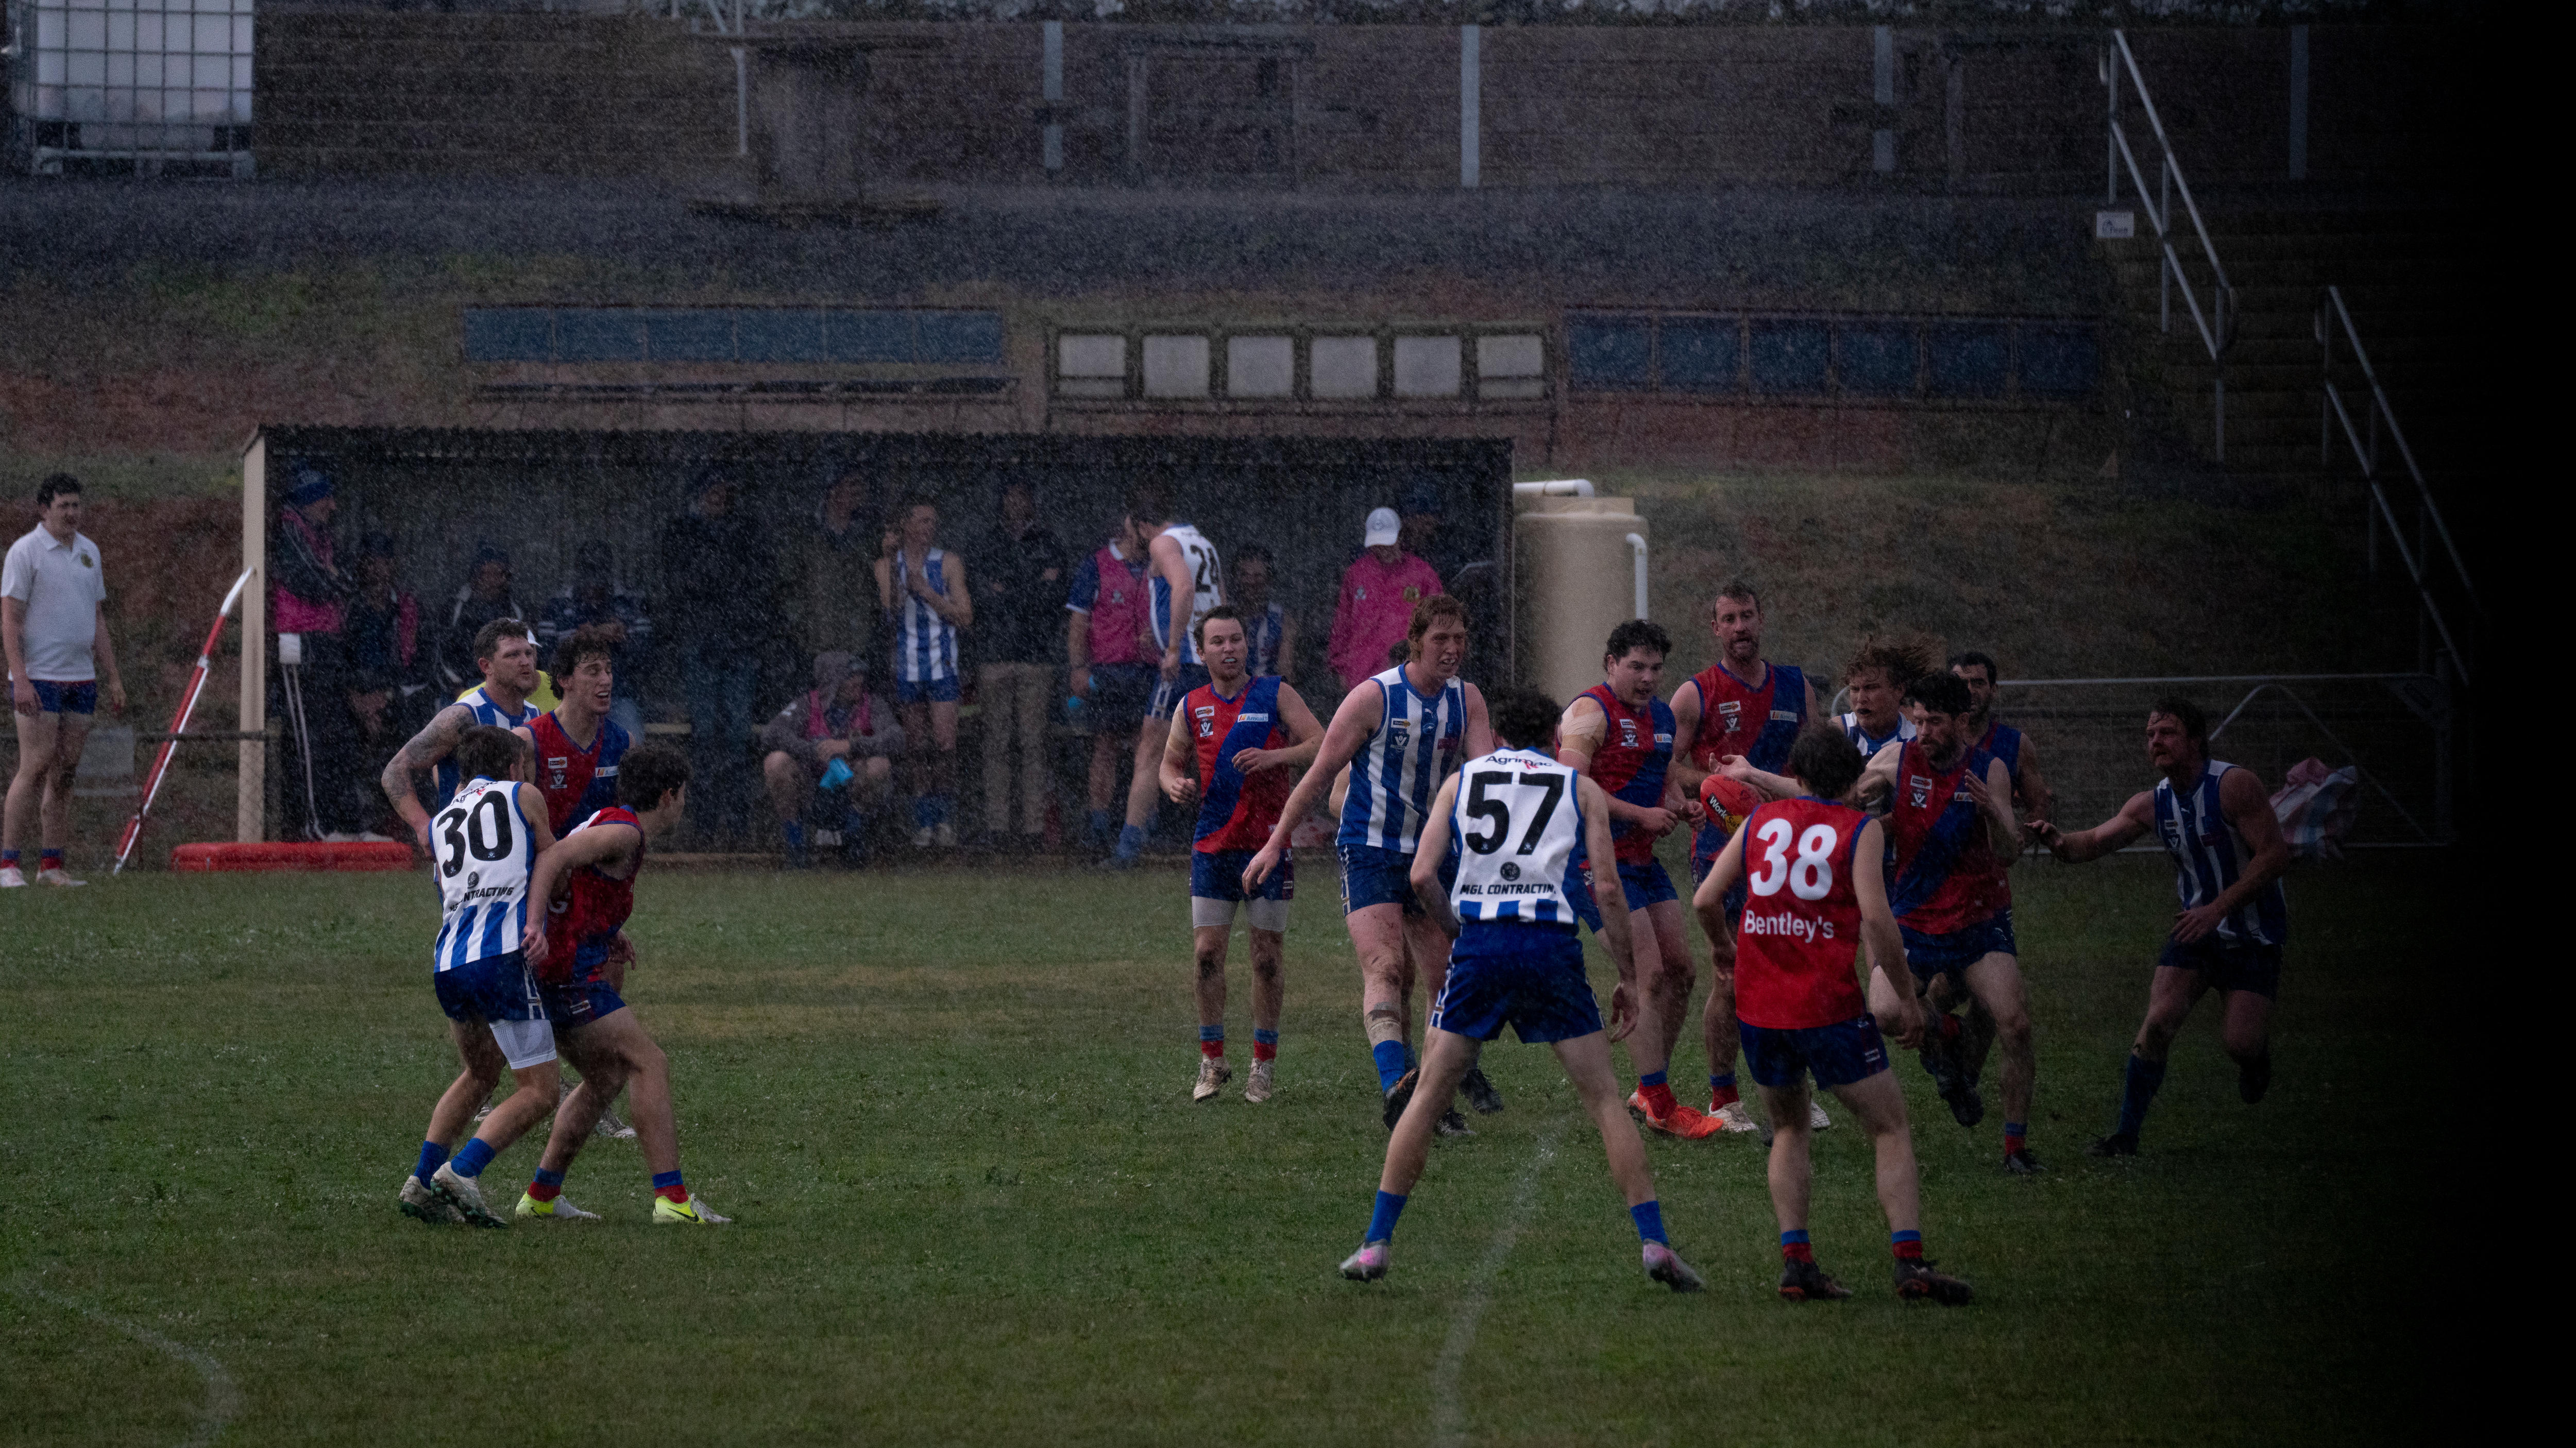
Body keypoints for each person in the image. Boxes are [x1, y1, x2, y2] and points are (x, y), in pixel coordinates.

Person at [1338, 686, 1703, 1293]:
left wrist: (1456, 926)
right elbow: (1608, 890)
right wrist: (1629, 978)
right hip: (1550, 947)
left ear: (1499, 732)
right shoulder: (1576, 786)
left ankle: (1376, 1244)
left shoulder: (1463, 782)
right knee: (1605, 1101)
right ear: (1554, 738)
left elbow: (1423, 874)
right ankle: (1655, 1242)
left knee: (1428, 1096)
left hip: (1483, 945)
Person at [1692, 724, 1974, 1304]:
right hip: (1826, 1006)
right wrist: (1905, 994)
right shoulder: (1859, 828)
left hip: (1760, 1007)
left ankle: (1797, 1265)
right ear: (1852, 783)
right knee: (1889, 1126)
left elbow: (1703, 899)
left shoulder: (1759, 822)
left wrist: (1724, 949)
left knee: (1790, 1128)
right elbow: (1875, 917)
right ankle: (1909, 1264)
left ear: (1794, 776)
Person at [1243, 595, 1499, 1137]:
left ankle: (1434, 1096)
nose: (1451, 650)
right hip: (1369, 851)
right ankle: (1398, 1089)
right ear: (1415, 641)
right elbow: (1318, 776)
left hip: (1432, 855)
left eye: (1459, 640)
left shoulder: (1467, 699)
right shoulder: (1373, 697)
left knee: (1444, 980)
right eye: (1440, 640)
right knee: (1383, 969)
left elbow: (1482, 779)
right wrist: (1275, 842)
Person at [2028, 697, 2291, 1157]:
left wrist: (2219, 908)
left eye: (2167, 732)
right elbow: (2090, 843)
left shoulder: (2234, 785)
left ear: (2194, 739)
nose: (2156, 742)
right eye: (2150, 734)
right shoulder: (2153, 803)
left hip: (2252, 933)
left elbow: (2273, 855)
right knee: (2157, 1025)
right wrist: (2057, 840)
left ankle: (2255, 1058)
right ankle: (2125, 1136)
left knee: (2240, 1043)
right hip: (2195, 932)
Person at [514, 742, 727, 1225]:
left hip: (568, 966)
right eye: (684, 793)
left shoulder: (616, 823)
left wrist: (606, 929)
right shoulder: (625, 832)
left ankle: (542, 1197)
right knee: (648, 1062)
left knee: (606, 1077)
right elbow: (554, 858)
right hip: (568, 974)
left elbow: (579, 884)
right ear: (670, 795)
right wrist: (535, 926)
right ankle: (673, 1201)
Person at [1853, 671, 2040, 1173]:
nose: (1923, 732)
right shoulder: (1897, 759)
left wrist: (1991, 814)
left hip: (1978, 923)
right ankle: (1949, 1036)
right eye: (1917, 721)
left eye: (1933, 722)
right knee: (1885, 1013)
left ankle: (2014, 1149)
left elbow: (2008, 853)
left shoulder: (1989, 770)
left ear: (1961, 721)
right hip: (1914, 920)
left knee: (2015, 1025)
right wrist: (1861, 797)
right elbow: (1852, 795)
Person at [1554, 619, 1719, 1140]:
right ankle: (1659, 1100)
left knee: (1682, 971)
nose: (1647, 678)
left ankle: (1650, 1090)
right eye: (1635, 667)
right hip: (1593, 861)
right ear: (1610, 664)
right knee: (1646, 974)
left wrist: (1679, 805)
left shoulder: (1663, 716)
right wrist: (1637, 814)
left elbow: (1663, 774)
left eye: (1654, 668)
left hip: (1642, 862)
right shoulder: (1589, 712)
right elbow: (1570, 786)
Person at [1157, 606, 1325, 1104]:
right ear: (1201, 650)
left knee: (1266, 958)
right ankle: (1213, 1061)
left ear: (1247, 646)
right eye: (1218, 642)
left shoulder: (1274, 693)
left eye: (1236, 640)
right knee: (1207, 955)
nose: (1228, 649)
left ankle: (1263, 1065)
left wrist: (1275, 757)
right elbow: (1168, 765)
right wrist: (1174, 786)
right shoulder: (1191, 705)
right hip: (1212, 847)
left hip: (1268, 846)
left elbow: (1322, 744)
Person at [1667, 580, 1818, 1131]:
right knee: (1729, 975)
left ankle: (1793, 1087)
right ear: (1714, 628)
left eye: (1746, 616)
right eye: (1727, 619)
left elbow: (1817, 765)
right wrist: (1710, 785)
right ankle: (1722, 1096)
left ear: (1761, 619)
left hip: (1789, 848)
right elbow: (1670, 768)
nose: (1739, 628)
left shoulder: (1795, 688)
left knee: (1794, 969)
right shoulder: (1696, 693)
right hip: (1721, 850)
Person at [399, 725, 560, 1228]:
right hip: (501, 959)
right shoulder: (523, 795)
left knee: (480, 1074)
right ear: (512, 767)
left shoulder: (443, 820)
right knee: (540, 1089)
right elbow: (555, 862)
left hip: (449, 962)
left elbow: (444, 892)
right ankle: (462, 1172)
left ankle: (421, 1182)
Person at [2, 474, 125, 887]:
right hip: (39, 678)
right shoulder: (25, 552)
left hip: (81, 679)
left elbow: (97, 618)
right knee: (34, 766)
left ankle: (52, 866)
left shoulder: (90, 551)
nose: (72, 513)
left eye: (77, 505)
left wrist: (113, 677)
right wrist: (20, 678)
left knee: (66, 771)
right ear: (44, 509)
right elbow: (10, 619)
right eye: (63, 506)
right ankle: (8, 864)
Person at [1945, 648, 2055, 1110]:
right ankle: (1948, 1053)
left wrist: (2027, 831)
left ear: (1993, 689)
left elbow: (2038, 797)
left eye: (1978, 683)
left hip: (1988, 890)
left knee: (1994, 1005)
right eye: (1961, 683)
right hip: (1932, 889)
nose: (1970, 691)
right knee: (1939, 993)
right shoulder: (1930, 739)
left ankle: (1962, 1076)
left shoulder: (2012, 744)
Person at [1104, 484, 1221, 869]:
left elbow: (1184, 586)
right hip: (1212, 660)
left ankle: (1128, 849)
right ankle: (1229, 838)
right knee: (1214, 751)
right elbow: (1219, 595)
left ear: (1142, 525)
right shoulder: (1200, 539)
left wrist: (1172, 646)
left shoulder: (1163, 544)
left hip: (1185, 662)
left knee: (1150, 752)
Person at [660, 467, 776, 841]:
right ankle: (706, 819)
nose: (718, 498)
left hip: (739, 645)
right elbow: (681, 585)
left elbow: (757, 584)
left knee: (739, 733)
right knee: (706, 733)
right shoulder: (682, 533)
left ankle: (739, 819)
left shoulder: (746, 532)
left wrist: (738, 620)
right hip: (702, 646)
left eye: (723, 491)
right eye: (711, 491)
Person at [269, 465, 372, 842]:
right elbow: (311, 581)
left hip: (327, 640)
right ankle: (315, 825)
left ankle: (345, 822)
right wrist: (334, 581)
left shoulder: (323, 534)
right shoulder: (290, 528)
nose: (332, 505)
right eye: (325, 497)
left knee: (335, 733)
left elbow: (344, 579)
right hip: (300, 641)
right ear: (309, 498)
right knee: (308, 740)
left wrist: (335, 580)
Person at [380, 618, 545, 842]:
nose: (526, 662)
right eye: (513, 655)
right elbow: (395, 771)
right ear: (487, 666)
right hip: (466, 855)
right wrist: (424, 829)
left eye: (528, 653)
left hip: (516, 852)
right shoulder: (463, 716)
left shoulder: (536, 716)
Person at [972, 481, 1065, 853]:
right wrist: (1030, 588)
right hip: (994, 654)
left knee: (1032, 743)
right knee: (995, 743)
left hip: (1036, 656)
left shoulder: (1049, 542)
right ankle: (997, 826)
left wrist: (1009, 591)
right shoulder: (986, 542)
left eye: (1022, 495)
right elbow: (980, 595)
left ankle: (1032, 829)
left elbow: (1054, 596)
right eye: (1009, 495)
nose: (1016, 502)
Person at [875, 498, 972, 848]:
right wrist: (894, 566)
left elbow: (965, 615)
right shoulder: (888, 565)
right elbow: (892, 611)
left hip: (942, 662)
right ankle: (923, 820)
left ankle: (944, 817)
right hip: (908, 665)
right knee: (916, 745)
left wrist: (929, 594)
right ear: (907, 527)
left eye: (933, 521)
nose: (929, 528)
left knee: (945, 743)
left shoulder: (947, 563)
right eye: (922, 521)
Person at [759, 651, 902, 868]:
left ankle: (855, 836)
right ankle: (796, 843)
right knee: (775, 762)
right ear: (831, 681)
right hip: (812, 790)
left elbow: (896, 737)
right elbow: (771, 733)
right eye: (850, 676)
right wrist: (811, 750)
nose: (858, 681)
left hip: (853, 789)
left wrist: (851, 746)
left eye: (859, 675)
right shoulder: (806, 704)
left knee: (879, 765)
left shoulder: (873, 704)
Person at [1064, 514, 1155, 853]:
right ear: (1129, 526)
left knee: (1147, 751)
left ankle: (1142, 826)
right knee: (1105, 747)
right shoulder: (1097, 565)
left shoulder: (1160, 564)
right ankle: (1099, 824)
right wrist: (1078, 667)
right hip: (1109, 671)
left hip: (1148, 670)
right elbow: (1078, 621)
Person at [344, 533, 434, 836]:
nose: (378, 570)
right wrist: (357, 700)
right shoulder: (350, 607)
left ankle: (406, 823)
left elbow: (423, 669)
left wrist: (386, 696)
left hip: (399, 701)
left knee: (412, 742)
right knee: (343, 741)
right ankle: (360, 823)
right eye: (372, 563)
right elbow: (340, 661)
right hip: (355, 701)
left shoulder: (408, 608)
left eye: (385, 562)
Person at [537, 540, 655, 743]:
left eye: (599, 574)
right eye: (588, 574)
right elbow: (545, 658)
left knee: (634, 749)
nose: (593, 583)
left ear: (609, 573)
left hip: (619, 695)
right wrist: (579, 641)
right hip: (572, 697)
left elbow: (647, 659)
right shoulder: (557, 605)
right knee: (562, 749)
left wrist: (623, 639)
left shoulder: (631, 603)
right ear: (578, 573)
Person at [521, 626, 632, 838]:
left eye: (608, 670)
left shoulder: (624, 742)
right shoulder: (529, 740)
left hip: (598, 866)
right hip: (547, 867)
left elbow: (626, 822)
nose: (605, 680)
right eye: (593, 671)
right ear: (565, 680)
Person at [1327, 506, 1443, 695]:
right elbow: (1342, 623)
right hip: (1361, 674)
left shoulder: (1422, 574)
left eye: (1387, 543)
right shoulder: (1356, 574)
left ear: (1400, 537)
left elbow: (1438, 622)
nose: (1382, 549)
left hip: (1410, 673)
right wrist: (1341, 667)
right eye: (1377, 544)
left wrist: (1434, 666)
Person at [779, 469, 877, 672]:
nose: (858, 493)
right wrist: (801, 624)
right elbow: (787, 584)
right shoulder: (805, 535)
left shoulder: (867, 539)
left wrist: (864, 625)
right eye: (852, 486)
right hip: (814, 644)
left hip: (856, 645)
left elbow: (873, 587)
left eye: (860, 487)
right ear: (833, 491)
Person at [434, 543, 527, 693]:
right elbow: (441, 654)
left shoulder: (515, 611)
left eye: (498, 574)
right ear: (475, 576)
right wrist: (459, 688)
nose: (492, 581)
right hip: (461, 688)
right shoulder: (455, 608)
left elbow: (526, 655)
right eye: (487, 574)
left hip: (505, 690)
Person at [1829, 635, 1931, 769]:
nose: (1861, 699)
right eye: (1854, 689)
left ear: (1899, 690)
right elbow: (1806, 786)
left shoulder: (1915, 740)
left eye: (1871, 688)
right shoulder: (1838, 732)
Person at [1228, 544, 1297, 685]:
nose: (1251, 582)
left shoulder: (1283, 620)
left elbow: (1285, 671)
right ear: (1235, 579)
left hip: (1268, 694)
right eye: (1244, 575)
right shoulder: (1225, 618)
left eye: (1258, 576)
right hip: (1232, 695)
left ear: (1269, 579)